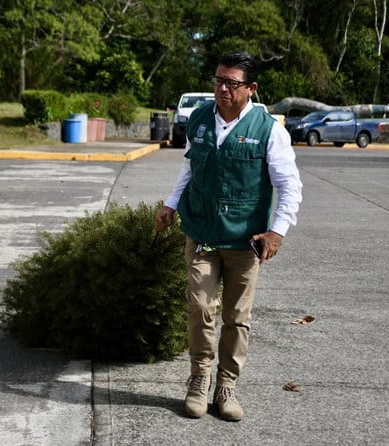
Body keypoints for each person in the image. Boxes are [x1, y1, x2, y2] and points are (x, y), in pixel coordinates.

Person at [154, 51, 302, 421]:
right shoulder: (200, 119)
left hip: (245, 241)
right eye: (218, 80)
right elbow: (190, 169)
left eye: (231, 83)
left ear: (251, 88)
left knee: (237, 318)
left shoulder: (269, 131)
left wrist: (277, 232)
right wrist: (171, 205)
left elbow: (290, 185)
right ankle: (199, 379)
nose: (221, 88)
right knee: (201, 308)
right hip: (201, 232)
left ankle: (226, 386)